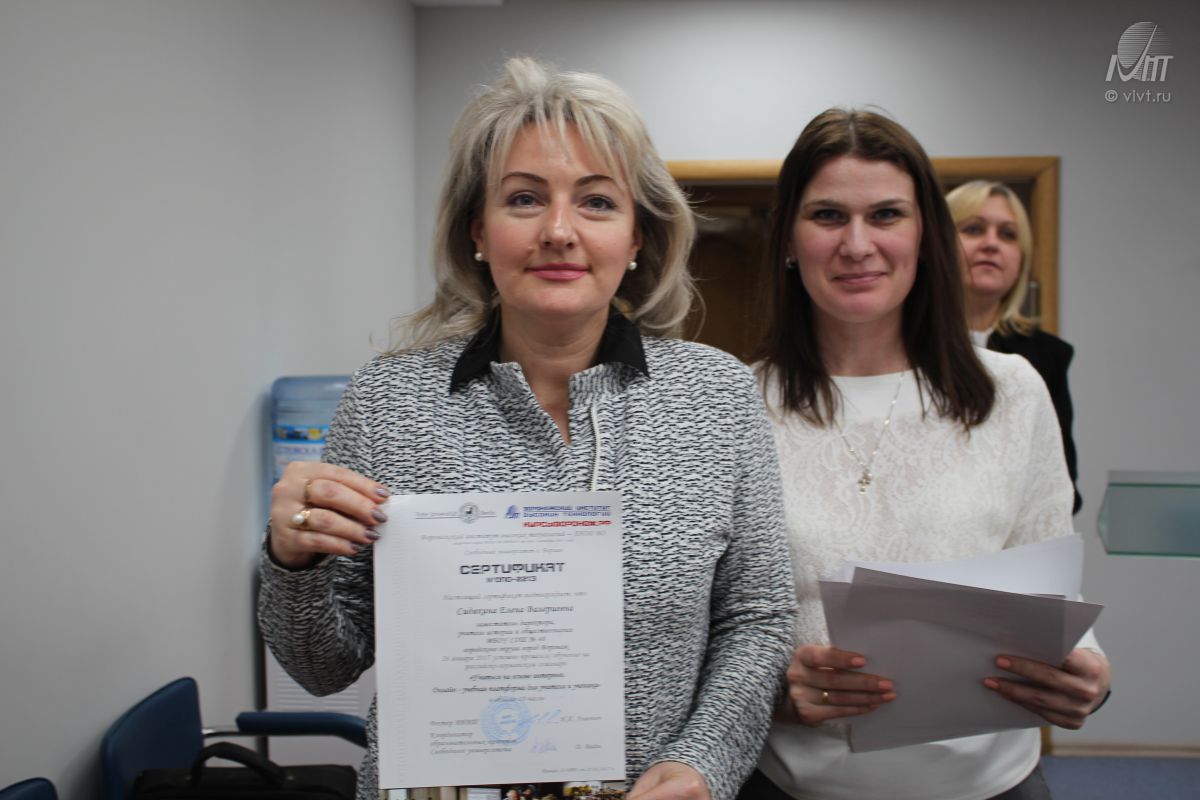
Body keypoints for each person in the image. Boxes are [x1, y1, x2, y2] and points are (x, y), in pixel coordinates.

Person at [257, 58, 795, 800]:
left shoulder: (716, 397)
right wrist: (293, 561)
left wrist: (703, 763)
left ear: (638, 236)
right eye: (524, 199)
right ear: (478, 231)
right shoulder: (389, 400)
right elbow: (323, 669)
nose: (559, 231)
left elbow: (757, 619)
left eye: (597, 202)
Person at [740, 109, 1110, 800]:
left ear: (924, 234)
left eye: (886, 215)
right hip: (793, 783)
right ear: (789, 237)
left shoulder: (1012, 390)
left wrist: (1087, 669)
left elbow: (1049, 576)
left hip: (993, 784)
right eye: (827, 216)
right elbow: (713, 622)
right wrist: (778, 694)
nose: (857, 245)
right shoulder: (737, 404)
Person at [946, 180, 1082, 513]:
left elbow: (1061, 484)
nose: (991, 244)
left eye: (1008, 234)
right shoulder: (895, 343)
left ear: (1022, 258)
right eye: (973, 229)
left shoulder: (1048, 356)